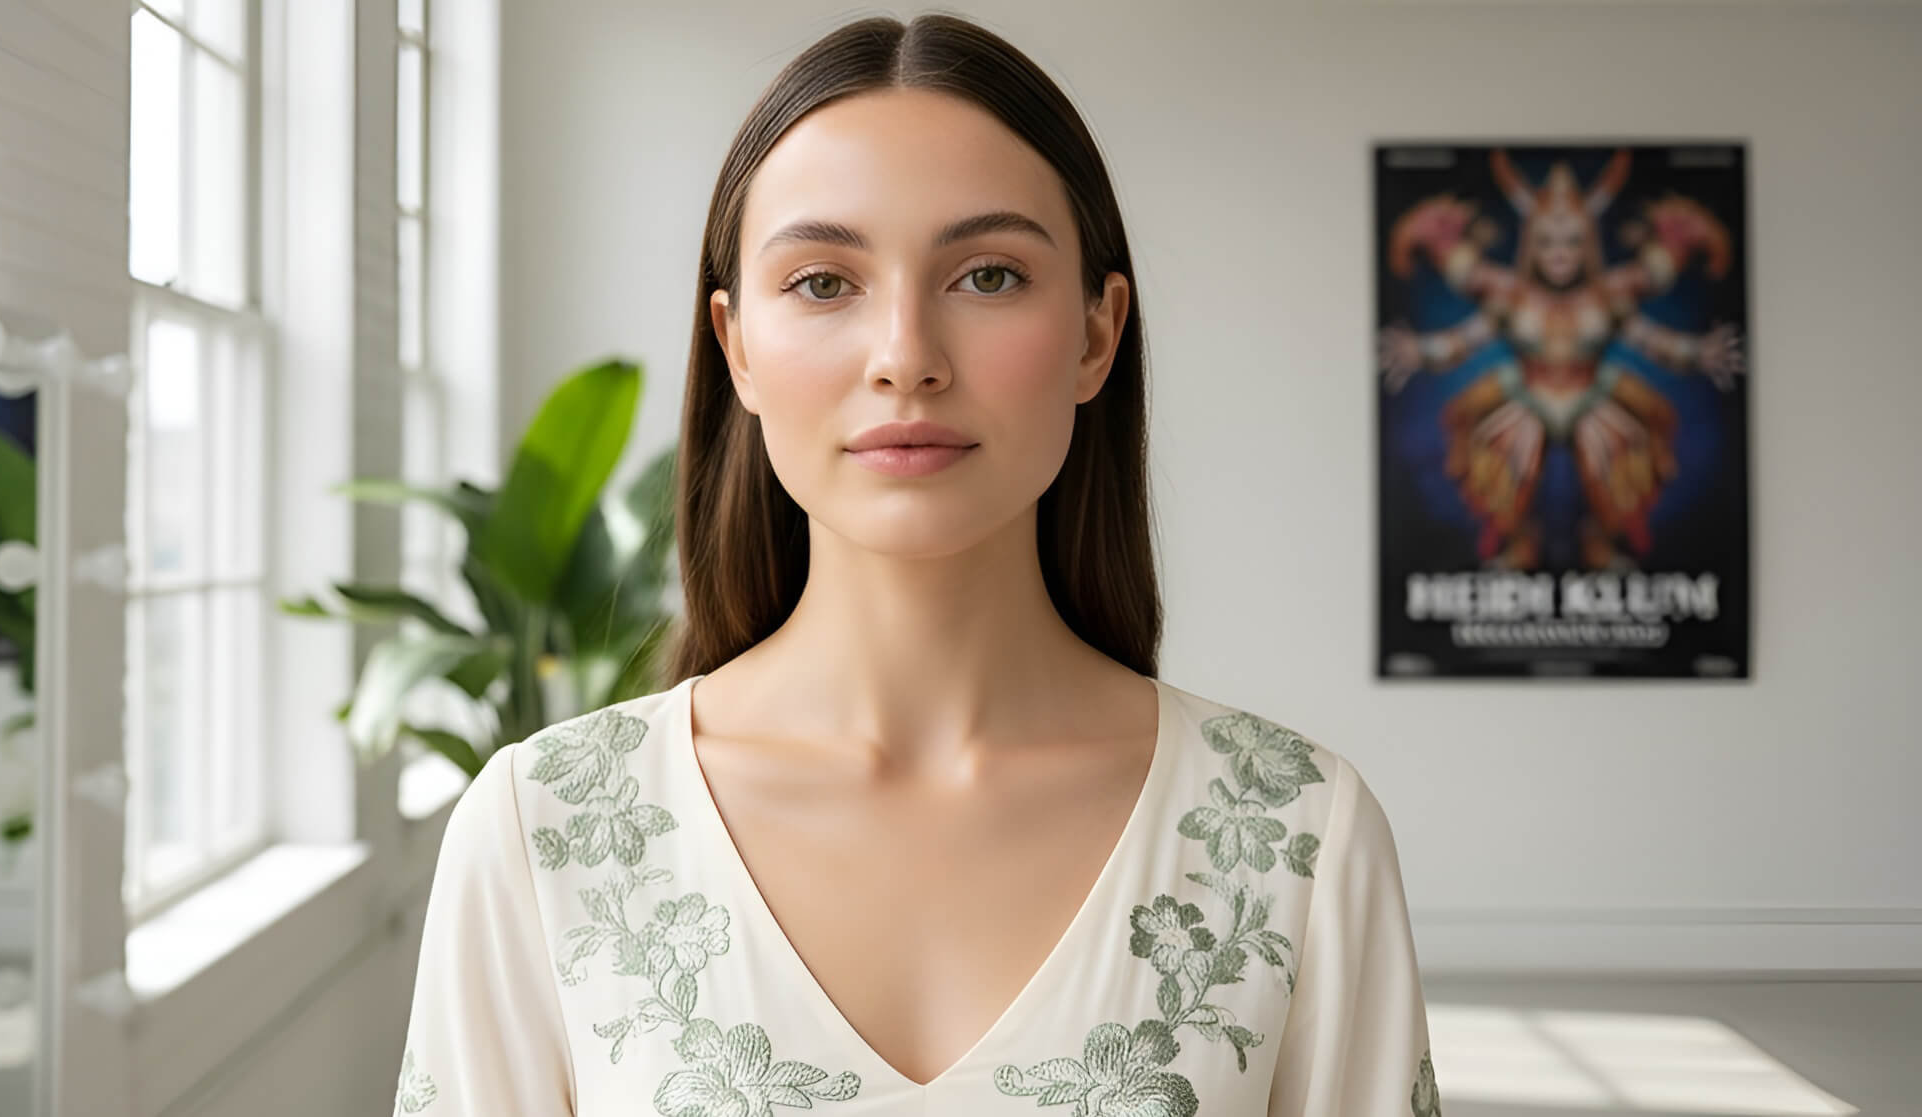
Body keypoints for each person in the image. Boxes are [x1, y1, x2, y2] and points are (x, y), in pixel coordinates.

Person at [395, 13, 1441, 1116]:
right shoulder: (542, 829)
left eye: (986, 276)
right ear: (735, 344)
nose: (905, 357)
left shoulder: (1296, 838)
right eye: (821, 282)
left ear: (1096, 334)